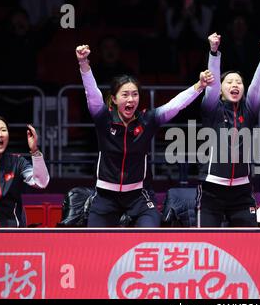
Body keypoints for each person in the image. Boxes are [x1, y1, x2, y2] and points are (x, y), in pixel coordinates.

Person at [75, 44, 214, 227]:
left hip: (138, 196)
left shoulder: (147, 120)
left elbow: (174, 106)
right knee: (96, 245)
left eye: (135, 94)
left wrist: (199, 86)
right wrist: (83, 63)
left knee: (150, 231)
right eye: (125, 95)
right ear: (115, 99)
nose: (131, 99)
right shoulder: (104, 119)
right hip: (105, 196)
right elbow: (91, 94)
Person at [197, 33, 260, 227]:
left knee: (249, 244)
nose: (234, 85)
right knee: (206, 241)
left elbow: (257, 87)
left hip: (242, 191)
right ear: (221, 90)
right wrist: (214, 53)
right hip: (212, 189)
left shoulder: (249, 110)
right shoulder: (212, 108)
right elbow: (211, 86)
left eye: (238, 82)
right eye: (229, 82)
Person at [0, 115, 49, 227]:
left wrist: (34, 151)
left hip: (12, 233)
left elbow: (41, 182)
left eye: (3, 130)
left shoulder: (17, 162)